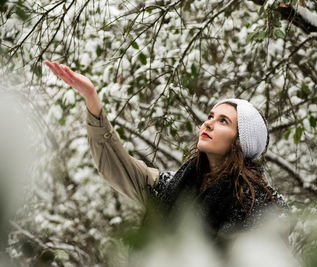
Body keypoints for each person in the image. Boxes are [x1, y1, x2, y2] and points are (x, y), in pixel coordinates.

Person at [44, 60, 289, 242]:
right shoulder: (171, 188)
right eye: (210, 116)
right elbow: (115, 165)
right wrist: (92, 99)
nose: (209, 123)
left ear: (241, 141)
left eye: (224, 121)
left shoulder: (258, 206)